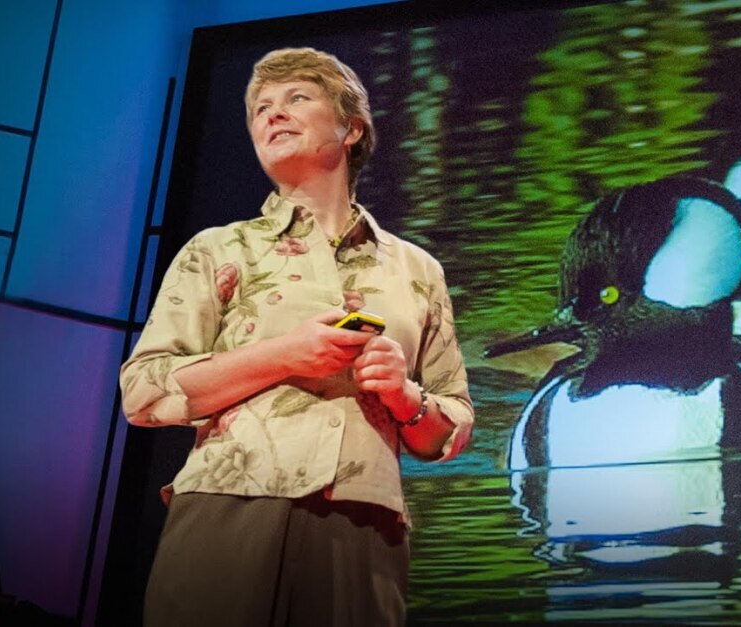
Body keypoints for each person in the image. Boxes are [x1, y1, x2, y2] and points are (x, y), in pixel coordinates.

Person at [119, 47, 474, 626]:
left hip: (364, 522)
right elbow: (142, 393)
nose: (273, 114)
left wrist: (405, 396)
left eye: (297, 98)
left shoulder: (418, 270)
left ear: (351, 129)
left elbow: (453, 426)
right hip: (230, 507)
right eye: (261, 108)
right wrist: (284, 355)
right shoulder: (219, 250)